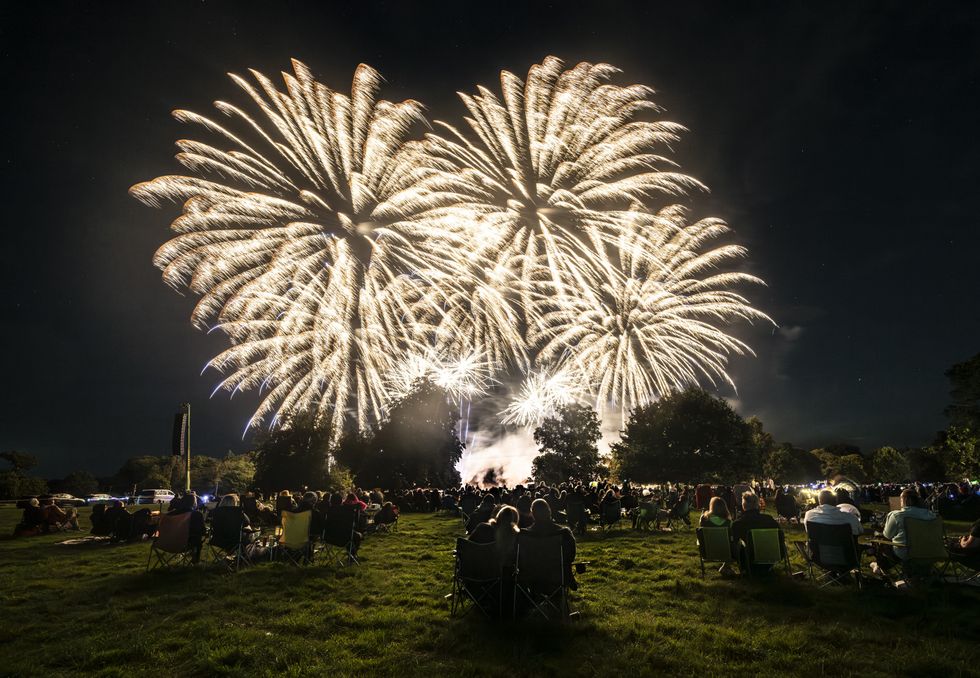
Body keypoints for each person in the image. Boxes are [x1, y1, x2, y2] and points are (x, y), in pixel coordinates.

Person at [872, 488, 936, 574]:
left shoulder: (897, 515)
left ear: (904, 500)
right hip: (929, 551)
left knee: (880, 540)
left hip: (906, 552)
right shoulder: (930, 515)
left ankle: (881, 566)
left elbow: (887, 535)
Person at [522, 499, 578, 589]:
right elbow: (570, 556)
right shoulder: (563, 533)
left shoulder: (524, 534)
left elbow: (520, 556)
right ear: (549, 512)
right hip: (556, 575)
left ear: (532, 514)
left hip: (531, 576)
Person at [731, 492, 783, 574]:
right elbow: (781, 536)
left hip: (749, 558)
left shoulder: (738, 524)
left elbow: (733, 544)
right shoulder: (769, 520)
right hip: (771, 555)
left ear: (743, 506)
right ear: (757, 505)